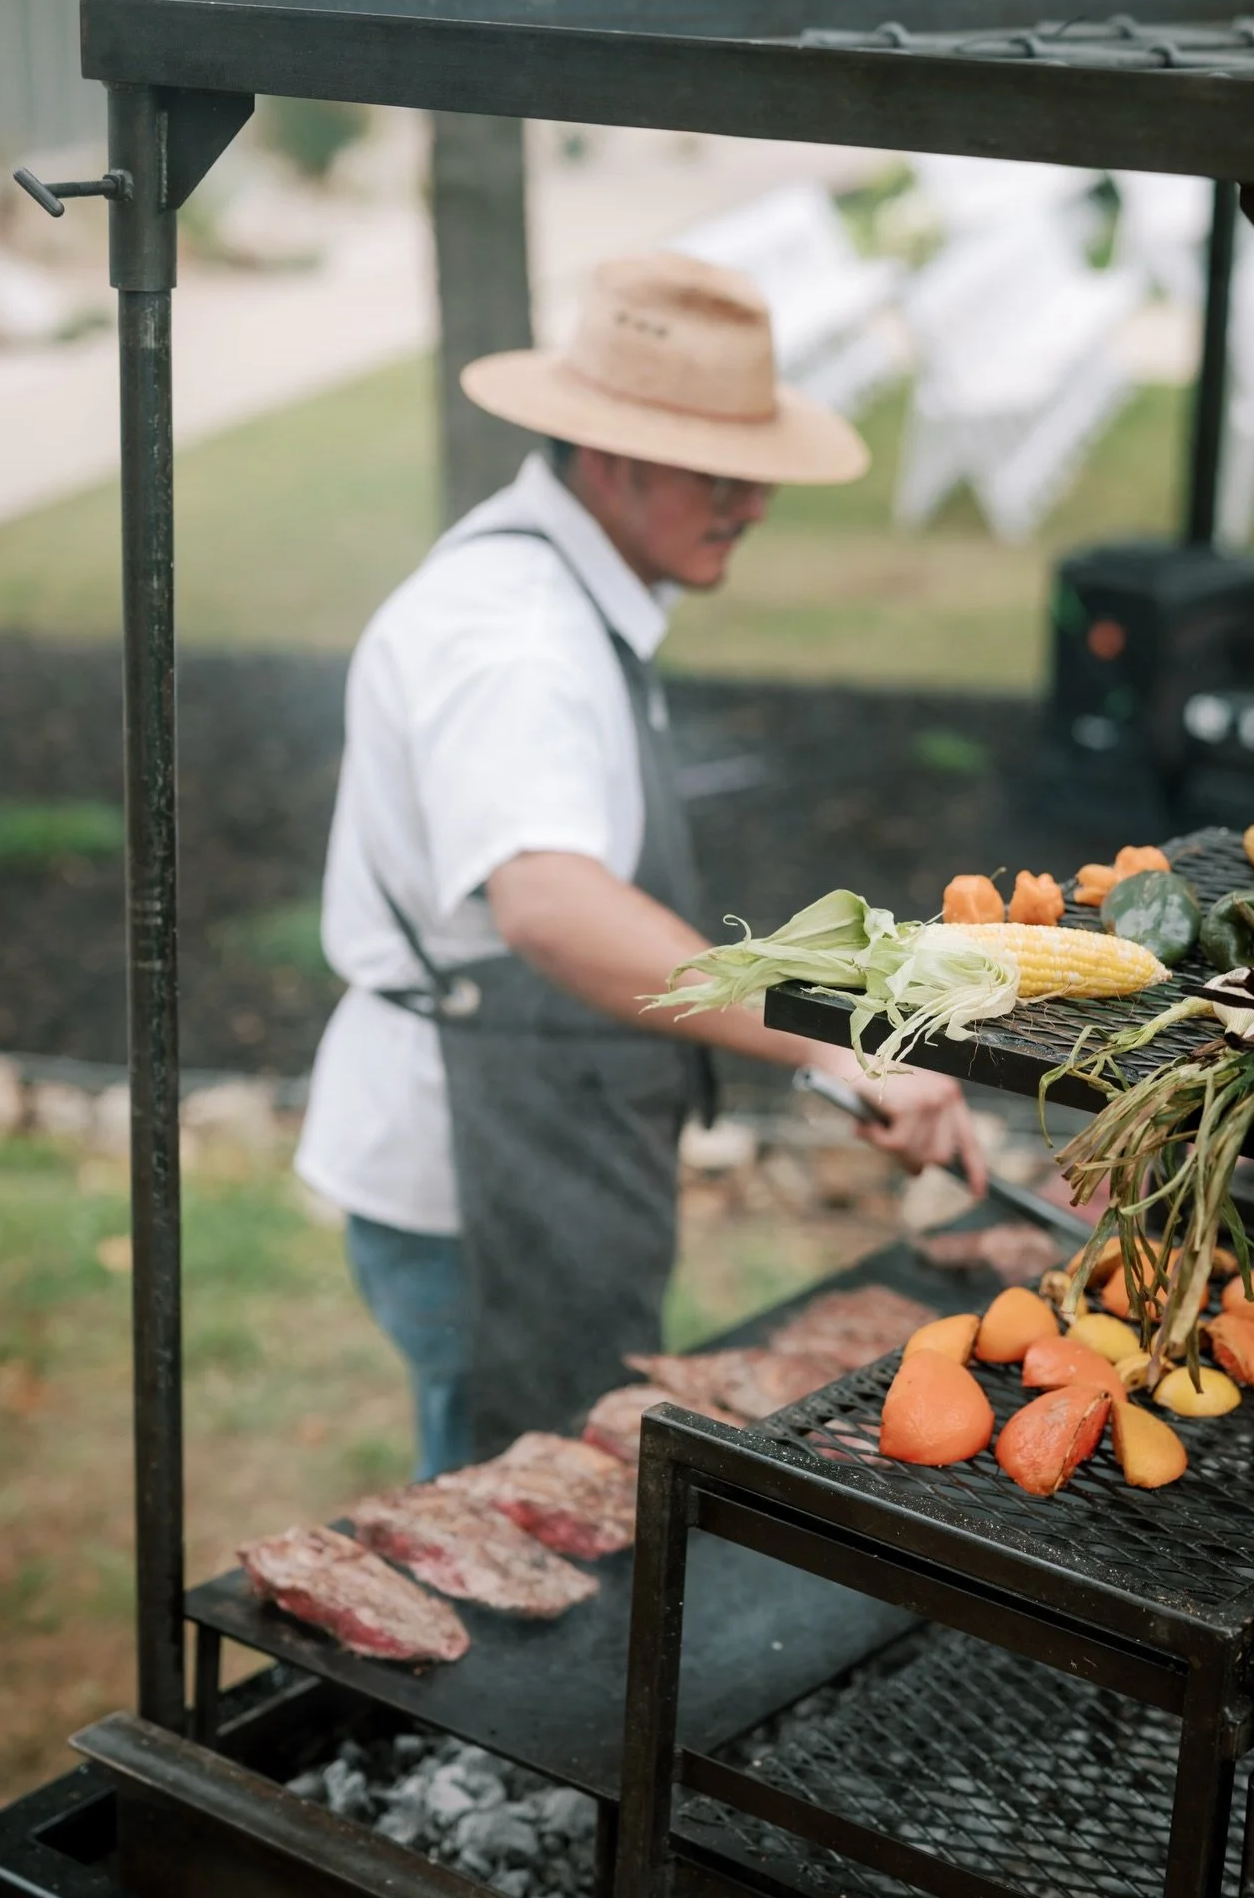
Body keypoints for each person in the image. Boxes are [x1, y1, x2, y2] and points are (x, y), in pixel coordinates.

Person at [296, 252, 985, 1478]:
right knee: (514, 1521)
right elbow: (552, 907)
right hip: (480, 1166)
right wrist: (829, 1038)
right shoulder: (516, 637)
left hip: (546, 1129)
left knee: (560, 1488)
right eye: (726, 476)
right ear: (614, 459)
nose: (755, 507)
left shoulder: (561, 587)